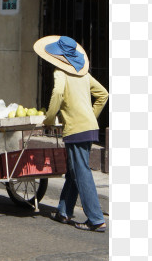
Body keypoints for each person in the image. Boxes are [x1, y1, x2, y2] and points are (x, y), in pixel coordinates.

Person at [34, 35, 109, 232]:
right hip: (89, 126)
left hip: (76, 128)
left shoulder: (61, 73)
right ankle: (64, 211)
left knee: (81, 171)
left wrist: (49, 120)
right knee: (75, 169)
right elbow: (104, 94)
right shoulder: (83, 75)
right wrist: (91, 117)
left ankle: (95, 218)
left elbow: (57, 94)